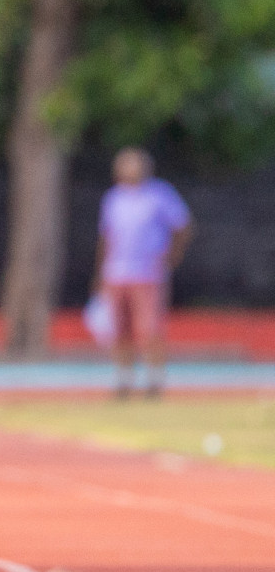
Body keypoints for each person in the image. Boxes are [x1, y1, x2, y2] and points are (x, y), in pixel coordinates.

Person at [94, 147, 193, 398]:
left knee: (149, 329)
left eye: (132, 164)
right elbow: (106, 239)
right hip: (116, 274)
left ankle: (155, 380)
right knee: (119, 330)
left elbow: (183, 226)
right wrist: (100, 275)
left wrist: (170, 257)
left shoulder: (159, 195)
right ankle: (123, 380)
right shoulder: (113, 198)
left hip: (147, 274)